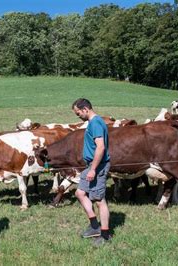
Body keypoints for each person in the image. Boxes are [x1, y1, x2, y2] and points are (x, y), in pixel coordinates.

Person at [71, 98, 112, 246]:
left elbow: (100, 147)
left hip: (98, 166)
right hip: (91, 165)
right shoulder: (94, 122)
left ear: (85, 109)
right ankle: (95, 226)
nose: (78, 116)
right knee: (80, 193)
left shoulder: (95, 123)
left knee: (100, 200)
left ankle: (105, 235)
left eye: (78, 113)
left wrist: (93, 169)